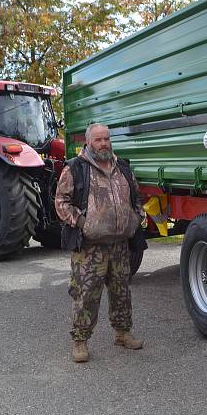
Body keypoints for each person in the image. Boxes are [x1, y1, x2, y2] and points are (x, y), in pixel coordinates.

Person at [55, 123, 146, 363]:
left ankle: (122, 333)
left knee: (121, 292)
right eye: (98, 140)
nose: (104, 143)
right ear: (88, 142)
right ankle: (80, 341)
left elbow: (137, 197)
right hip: (90, 248)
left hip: (119, 244)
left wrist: (136, 218)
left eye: (106, 139)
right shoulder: (75, 168)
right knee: (86, 295)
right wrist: (82, 221)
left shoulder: (123, 167)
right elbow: (61, 202)